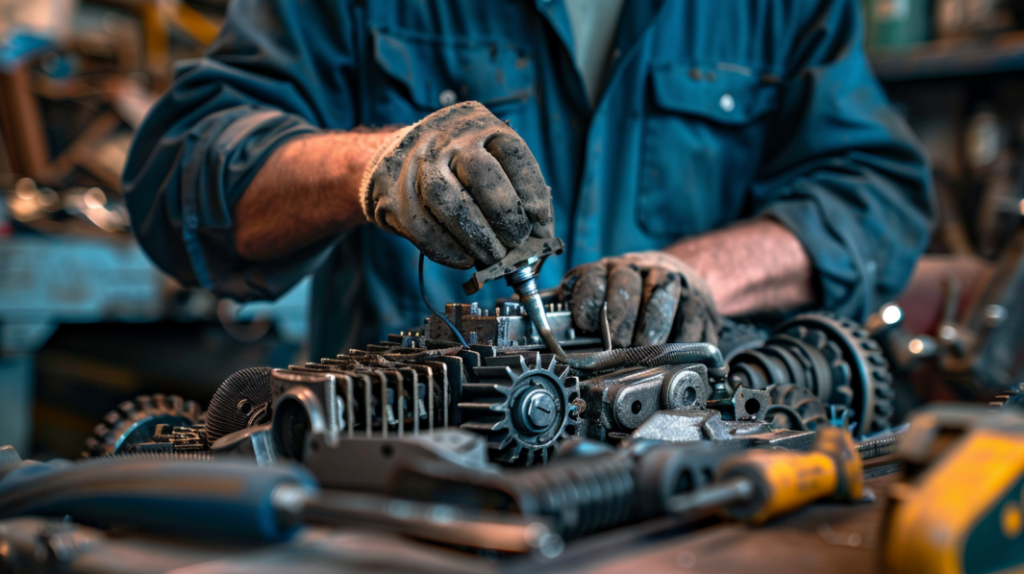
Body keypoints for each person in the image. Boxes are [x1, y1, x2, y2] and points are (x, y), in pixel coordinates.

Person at [123, 0, 935, 358]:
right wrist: (369, 166)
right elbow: (181, 176)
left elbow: (875, 195)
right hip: (400, 508)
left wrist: (699, 275)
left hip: (683, 493)